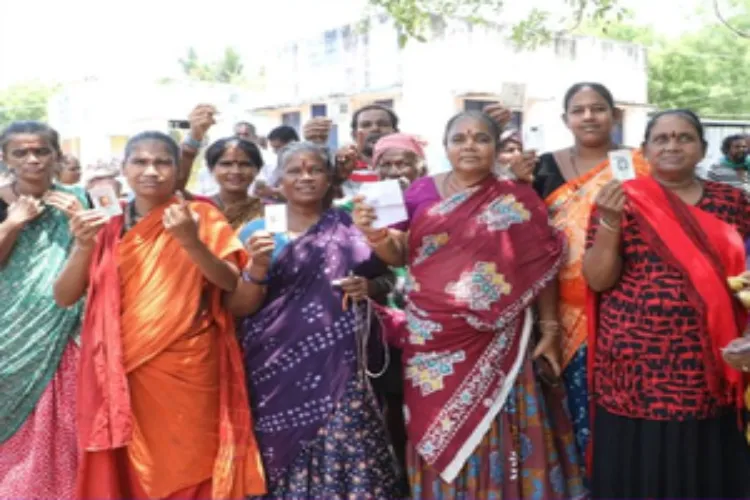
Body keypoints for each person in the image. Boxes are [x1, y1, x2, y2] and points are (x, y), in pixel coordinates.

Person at [353, 111, 586, 498]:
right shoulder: (420, 191)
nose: (470, 146)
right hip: (431, 338)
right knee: (433, 427)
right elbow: (398, 255)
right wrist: (375, 234)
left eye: (481, 138)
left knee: (500, 420)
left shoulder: (519, 198)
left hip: (499, 336)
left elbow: (541, 265)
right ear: (446, 147)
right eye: (459, 139)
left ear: (496, 147)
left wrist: (550, 331)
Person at [54, 131, 266, 499]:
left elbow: (229, 282)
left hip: (188, 361)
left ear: (177, 168)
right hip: (122, 364)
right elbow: (64, 295)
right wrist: (83, 245)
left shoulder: (200, 215)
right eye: (140, 161)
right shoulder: (107, 222)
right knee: (130, 463)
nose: (151, 171)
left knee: (190, 460)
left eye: (162, 162)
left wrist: (189, 240)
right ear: (124, 169)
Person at [583, 109, 750, 498]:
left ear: (702, 149)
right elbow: (598, 279)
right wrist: (609, 221)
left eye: (684, 137)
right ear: (645, 150)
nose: (672, 145)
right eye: (662, 138)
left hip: (709, 360)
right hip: (632, 364)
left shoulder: (734, 202)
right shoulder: (620, 199)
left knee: (702, 465)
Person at [232, 142, 404, 498]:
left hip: (341, 364)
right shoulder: (255, 233)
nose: (306, 177)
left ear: (330, 178)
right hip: (274, 366)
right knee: (278, 447)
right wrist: (257, 266)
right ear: (278, 181)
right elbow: (239, 307)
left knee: (348, 439)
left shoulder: (352, 225)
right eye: (294, 171)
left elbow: (390, 277)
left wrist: (368, 285)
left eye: (315, 170)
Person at [514, 83, 650, 459]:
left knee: (624, 406)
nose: (588, 116)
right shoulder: (540, 168)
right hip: (559, 308)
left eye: (598, 108)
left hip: (628, 307)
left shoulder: (641, 164)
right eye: (579, 110)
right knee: (571, 408)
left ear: (613, 114)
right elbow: (529, 238)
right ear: (566, 119)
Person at [0, 121, 90, 499]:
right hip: (10, 339)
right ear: (5, 159)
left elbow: (100, 263)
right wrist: (11, 225)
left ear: (57, 157)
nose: (33, 160)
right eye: (21, 153)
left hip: (65, 339)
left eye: (42, 152)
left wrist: (78, 223)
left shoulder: (78, 199)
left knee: (64, 434)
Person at [206, 137, 263, 230]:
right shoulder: (200, 207)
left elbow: (278, 243)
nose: (236, 171)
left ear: (257, 170)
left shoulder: (267, 212)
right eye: (226, 164)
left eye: (245, 164)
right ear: (211, 169)